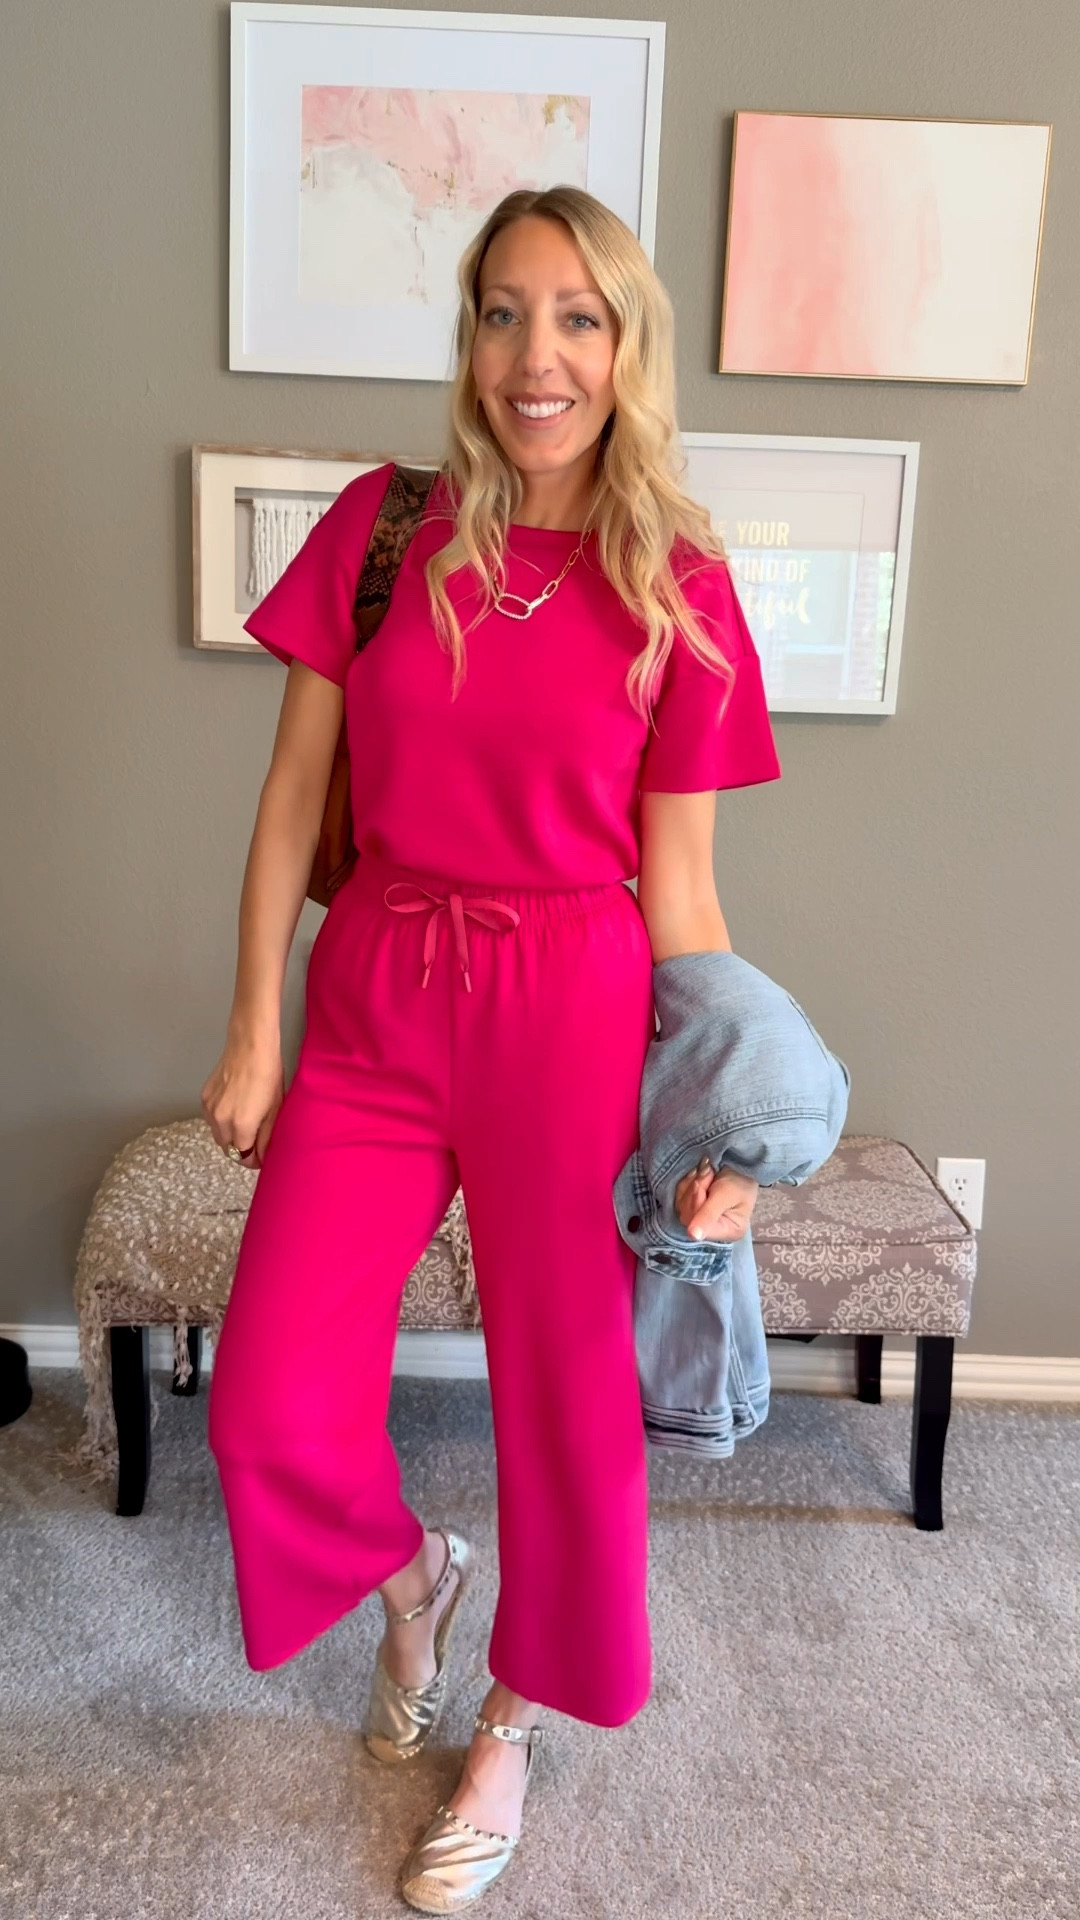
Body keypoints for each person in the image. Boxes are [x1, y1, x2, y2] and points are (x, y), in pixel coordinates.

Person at [201, 184, 781, 1912]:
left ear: (626, 346)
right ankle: (413, 1582)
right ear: (470, 339)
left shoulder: (678, 583)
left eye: (579, 318)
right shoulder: (384, 530)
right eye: (506, 313)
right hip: (380, 985)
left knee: (571, 1402)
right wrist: (254, 1023)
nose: (540, 356)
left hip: (574, 1004)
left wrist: (729, 1124)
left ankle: (514, 1722)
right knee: (268, 1398)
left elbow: (685, 891)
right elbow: (291, 798)